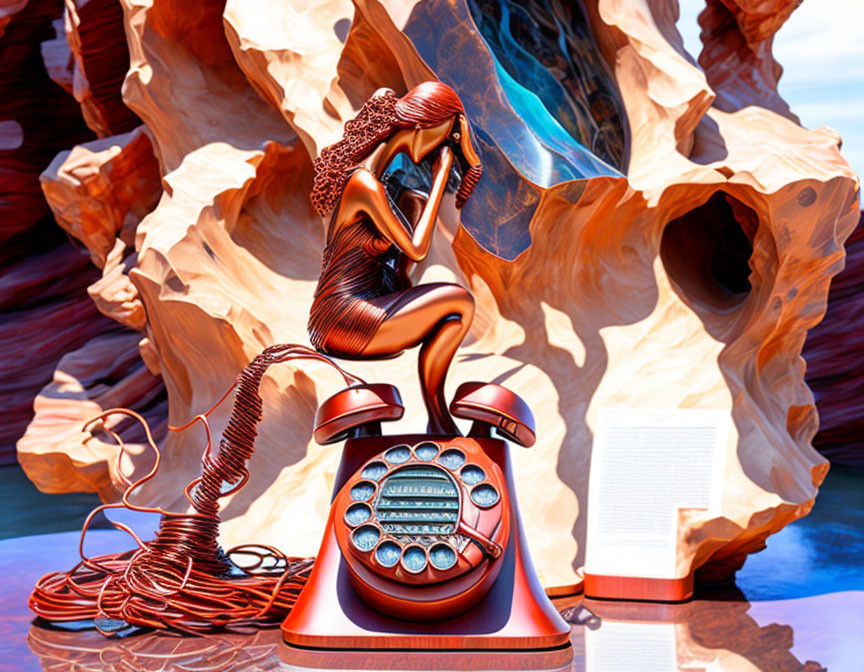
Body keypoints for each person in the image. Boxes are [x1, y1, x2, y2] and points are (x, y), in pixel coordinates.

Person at [307, 81, 483, 435]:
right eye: (441, 137)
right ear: (421, 130)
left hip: (362, 304)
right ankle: (439, 419)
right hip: (341, 316)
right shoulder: (364, 185)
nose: (439, 148)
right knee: (460, 303)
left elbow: (404, 267)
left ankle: (438, 418)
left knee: (412, 205)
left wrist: (417, 205)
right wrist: (440, 179)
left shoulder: (384, 186)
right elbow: (417, 248)